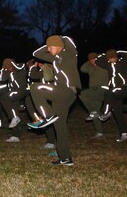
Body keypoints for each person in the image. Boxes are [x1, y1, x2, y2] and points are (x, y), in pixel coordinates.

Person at [27, 35, 80, 166]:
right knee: (59, 126)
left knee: (35, 87)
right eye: (48, 47)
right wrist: (50, 44)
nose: (49, 49)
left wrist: (60, 39)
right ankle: (66, 158)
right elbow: (36, 53)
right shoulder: (53, 59)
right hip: (59, 94)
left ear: (60, 46)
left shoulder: (69, 55)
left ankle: (48, 115)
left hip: (67, 91)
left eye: (51, 46)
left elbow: (69, 42)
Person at [96, 49, 127, 142]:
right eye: (110, 58)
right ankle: (124, 133)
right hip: (115, 93)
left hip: (123, 89)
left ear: (116, 57)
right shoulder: (108, 65)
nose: (112, 59)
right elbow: (98, 60)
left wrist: (116, 52)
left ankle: (106, 112)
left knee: (108, 92)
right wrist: (106, 54)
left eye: (113, 57)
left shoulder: (123, 63)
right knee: (117, 112)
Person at [78, 52, 108, 138]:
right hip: (93, 90)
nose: (92, 61)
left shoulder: (103, 66)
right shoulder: (90, 67)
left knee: (83, 94)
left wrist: (98, 58)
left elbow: (105, 58)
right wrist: (89, 62)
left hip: (103, 88)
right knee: (95, 110)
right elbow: (82, 69)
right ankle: (99, 132)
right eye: (90, 60)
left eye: (94, 59)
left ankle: (93, 112)